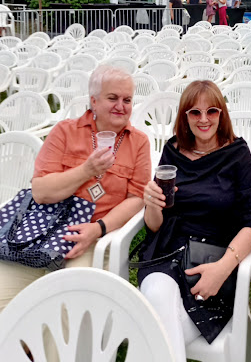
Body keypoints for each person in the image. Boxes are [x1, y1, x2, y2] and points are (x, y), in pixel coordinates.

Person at [0, 65, 151, 312]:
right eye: (112, 98)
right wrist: (86, 170)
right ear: (94, 101)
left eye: (127, 100)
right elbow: (41, 192)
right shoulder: (65, 131)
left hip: (92, 237)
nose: (121, 106)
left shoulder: (138, 142)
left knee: (68, 304)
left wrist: (98, 228)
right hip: (43, 229)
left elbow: (136, 198)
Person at [139, 80, 251, 361]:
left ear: (221, 114)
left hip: (212, 260)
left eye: (211, 111)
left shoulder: (237, 156)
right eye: (195, 112)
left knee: (152, 332)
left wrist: (222, 269)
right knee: (156, 293)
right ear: (185, 117)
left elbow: (249, 224)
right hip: (168, 253)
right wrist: (152, 204)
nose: (204, 119)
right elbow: (155, 225)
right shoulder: (172, 152)